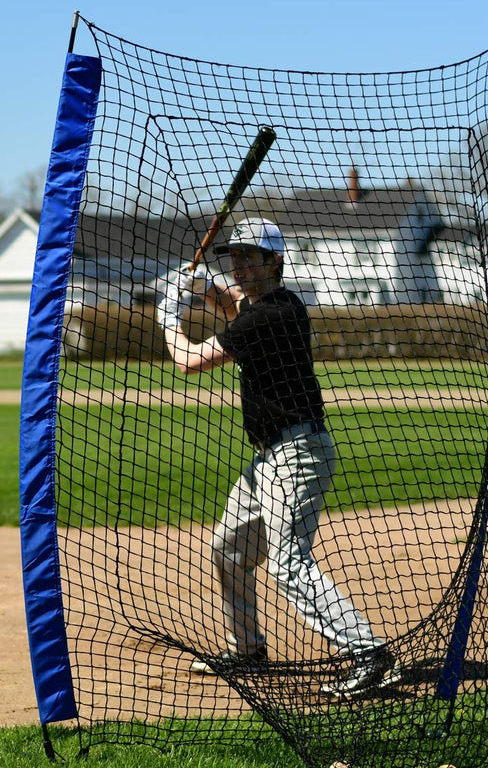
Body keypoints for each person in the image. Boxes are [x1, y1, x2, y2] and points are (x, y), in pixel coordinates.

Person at [156, 216, 397, 698]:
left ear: (275, 262)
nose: (240, 264)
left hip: (298, 453)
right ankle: (248, 649)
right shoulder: (271, 305)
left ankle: (368, 653)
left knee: (288, 563)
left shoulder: (272, 315)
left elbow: (187, 361)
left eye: (250, 256)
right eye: (235, 257)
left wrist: (167, 316)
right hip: (270, 456)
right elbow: (231, 304)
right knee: (227, 549)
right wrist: (200, 285)